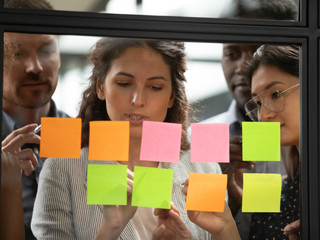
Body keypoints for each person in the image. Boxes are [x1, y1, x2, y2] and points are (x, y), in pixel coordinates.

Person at [31, 38, 230, 239]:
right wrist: (109, 231)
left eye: (155, 87)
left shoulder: (205, 168)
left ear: (171, 97)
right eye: (124, 83)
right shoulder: (62, 169)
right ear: (101, 87)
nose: (138, 100)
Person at [201, 0, 298, 239]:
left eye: (257, 50)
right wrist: (221, 195)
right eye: (231, 53)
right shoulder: (197, 139)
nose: (243, 66)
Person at [244, 45, 320, 239]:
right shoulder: (271, 191)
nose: (264, 115)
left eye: (276, 94)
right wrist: (224, 228)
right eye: (257, 103)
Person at [1, 1, 69, 239]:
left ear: (59, 56)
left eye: (46, 51)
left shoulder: (85, 139)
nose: (35, 67)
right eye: (18, 53)